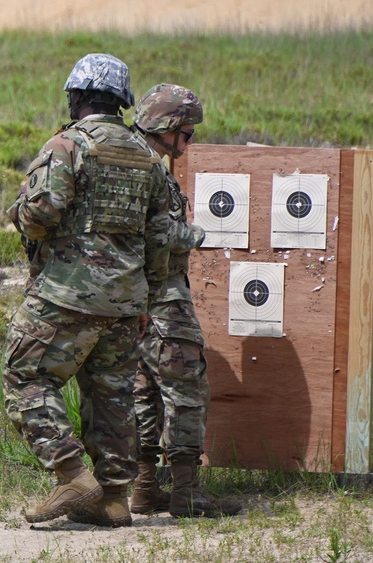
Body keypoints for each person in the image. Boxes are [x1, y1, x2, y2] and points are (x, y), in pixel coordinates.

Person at [3, 53, 170, 528]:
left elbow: (39, 217)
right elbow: (162, 239)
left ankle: (70, 473)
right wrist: (146, 298)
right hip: (127, 301)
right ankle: (115, 498)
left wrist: (20, 212)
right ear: (122, 103)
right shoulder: (148, 158)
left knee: (24, 375)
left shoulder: (67, 146)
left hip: (66, 295)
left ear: (76, 97)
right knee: (112, 393)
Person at [129, 84, 242, 519]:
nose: (189, 142)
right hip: (162, 296)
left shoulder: (132, 160)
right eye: (187, 133)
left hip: (134, 297)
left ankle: (143, 487)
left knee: (144, 389)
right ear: (167, 128)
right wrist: (193, 234)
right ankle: (186, 492)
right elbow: (154, 234)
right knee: (187, 389)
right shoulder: (151, 170)